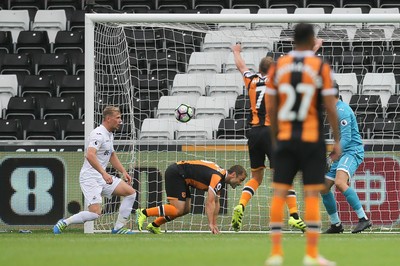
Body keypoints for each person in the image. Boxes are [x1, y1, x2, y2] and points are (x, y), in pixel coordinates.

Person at [264, 23, 341, 266]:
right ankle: (311, 254)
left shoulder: (279, 67)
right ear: (311, 40)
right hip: (311, 139)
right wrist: (336, 139)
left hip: (286, 137)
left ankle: (276, 253)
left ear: (292, 41)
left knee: (279, 192)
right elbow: (329, 106)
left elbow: (272, 107)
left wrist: (276, 137)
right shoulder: (319, 66)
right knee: (310, 194)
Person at [230, 43, 306, 233]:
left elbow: (241, 67)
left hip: (254, 133)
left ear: (260, 69)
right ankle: (294, 216)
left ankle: (241, 205)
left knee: (256, 176)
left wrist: (236, 51)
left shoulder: (251, 79)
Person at [53, 106, 137, 234]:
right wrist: (103, 173)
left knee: (131, 193)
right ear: (108, 119)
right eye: (118, 118)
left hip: (101, 177)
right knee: (95, 214)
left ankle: (118, 228)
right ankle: (65, 222)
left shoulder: (109, 134)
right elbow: (90, 154)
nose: (120, 121)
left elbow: (112, 155)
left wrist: (123, 172)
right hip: (90, 177)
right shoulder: (98, 134)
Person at [136, 160, 247, 234]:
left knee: (185, 210)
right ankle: (144, 212)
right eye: (240, 180)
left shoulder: (221, 180)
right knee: (178, 209)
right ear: (233, 175)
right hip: (177, 173)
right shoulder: (218, 177)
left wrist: (214, 223)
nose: (240, 183)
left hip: (184, 178)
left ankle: (154, 225)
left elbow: (216, 202)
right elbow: (209, 202)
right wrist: (210, 224)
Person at [321, 91, 372, 234]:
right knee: (324, 187)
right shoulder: (332, 110)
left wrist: (331, 157)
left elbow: (347, 138)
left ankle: (364, 219)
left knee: (340, 182)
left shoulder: (342, 110)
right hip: (342, 153)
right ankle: (336, 224)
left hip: (352, 151)